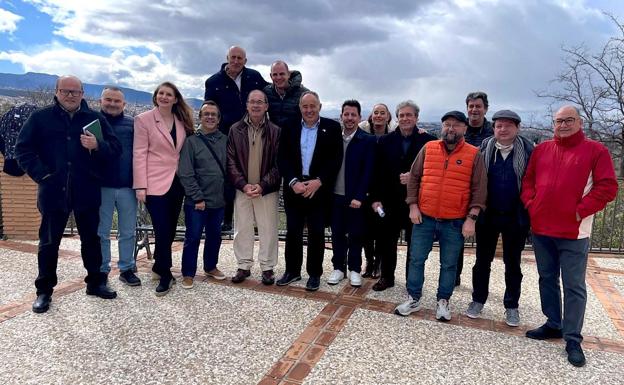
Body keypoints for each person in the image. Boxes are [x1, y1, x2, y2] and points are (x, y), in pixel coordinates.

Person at [521, 105, 618, 367]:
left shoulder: (596, 151)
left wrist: (580, 212)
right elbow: (528, 181)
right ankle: (554, 323)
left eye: (568, 120)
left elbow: (608, 187)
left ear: (579, 123)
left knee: (574, 286)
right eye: (558, 121)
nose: (563, 125)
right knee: (547, 279)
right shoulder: (542, 150)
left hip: (574, 232)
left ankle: (573, 338)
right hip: (542, 229)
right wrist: (532, 205)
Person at [16, 75, 121, 313]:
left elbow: (115, 150)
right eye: (65, 91)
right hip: (53, 191)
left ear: (83, 93)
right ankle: (44, 291)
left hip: (87, 189)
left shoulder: (95, 118)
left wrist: (97, 146)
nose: (70, 95)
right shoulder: (40, 118)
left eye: (75, 91)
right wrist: (43, 175)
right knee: (49, 243)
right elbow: (22, 150)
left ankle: (95, 282)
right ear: (56, 92)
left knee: (91, 240)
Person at [395, 111, 487, 321]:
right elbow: (414, 178)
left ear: (464, 128)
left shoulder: (474, 154)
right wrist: (413, 206)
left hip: (454, 221)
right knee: (416, 259)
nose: (450, 129)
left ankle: (443, 301)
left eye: (455, 125)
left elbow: (479, 189)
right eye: (446, 124)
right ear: (442, 127)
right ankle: (413, 297)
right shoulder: (428, 148)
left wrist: (471, 218)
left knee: (449, 264)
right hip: (424, 217)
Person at [465, 110, 534, 327]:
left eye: (507, 126)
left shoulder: (529, 150)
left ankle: (511, 305)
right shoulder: (483, 149)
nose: (502, 130)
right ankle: (478, 300)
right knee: (482, 261)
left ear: (517, 128)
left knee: (512, 263)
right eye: (498, 126)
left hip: (516, 216)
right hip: (488, 214)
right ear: (493, 128)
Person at [277, 91, 343, 291]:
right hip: (294, 188)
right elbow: (283, 157)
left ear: (320, 107)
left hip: (318, 190)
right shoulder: (289, 127)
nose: (309, 110)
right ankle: (292, 271)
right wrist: (293, 181)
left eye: (312, 106)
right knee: (293, 231)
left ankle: (314, 274)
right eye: (305, 106)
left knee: (316, 233)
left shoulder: (332, 128)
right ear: (300, 108)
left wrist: (319, 181)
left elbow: (335, 159)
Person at [134, 81, 194, 296]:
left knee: (169, 229)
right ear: (155, 96)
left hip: (176, 183)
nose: (164, 97)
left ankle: (159, 267)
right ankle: (166, 274)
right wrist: (140, 185)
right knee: (161, 228)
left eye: (169, 94)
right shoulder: (143, 120)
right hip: (154, 183)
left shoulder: (182, 120)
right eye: (161, 93)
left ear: (175, 98)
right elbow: (139, 153)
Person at [369, 100, 436, 291]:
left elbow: (434, 172)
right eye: (402, 115)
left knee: (415, 245)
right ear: (396, 118)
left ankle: (411, 281)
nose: (405, 118)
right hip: (389, 202)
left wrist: (416, 177)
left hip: (416, 202)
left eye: (409, 115)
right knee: (386, 242)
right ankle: (387, 277)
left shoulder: (429, 141)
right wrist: (375, 199)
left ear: (416, 118)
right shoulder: (385, 141)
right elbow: (377, 173)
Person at [204, 46, 269, 232]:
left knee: (253, 173)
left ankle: (255, 219)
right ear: (227, 58)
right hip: (226, 135)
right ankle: (227, 219)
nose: (236, 61)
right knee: (229, 176)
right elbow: (209, 107)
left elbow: (270, 94)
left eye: (240, 58)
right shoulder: (213, 81)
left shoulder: (254, 77)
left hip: (254, 132)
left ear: (245, 61)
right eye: (233, 57)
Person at [227, 90, 281, 285]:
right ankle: (243, 265)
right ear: (247, 105)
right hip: (243, 189)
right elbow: (230, 160)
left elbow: (279, 164)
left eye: (260, 102)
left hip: (266, 189)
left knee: (268, 228)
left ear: (266, 106)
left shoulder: (276, 131)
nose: (256, 105)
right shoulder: (235, 129)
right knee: (242, 228)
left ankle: (267, 268)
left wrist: (263, 185)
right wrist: (242, 184)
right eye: (252, 102)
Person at [177, 101, 228, 289]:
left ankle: (210, 266)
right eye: (206, 114)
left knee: (215, 236)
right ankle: (188, 273)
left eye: (214, 114)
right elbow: (185, 172)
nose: (210, 117)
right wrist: (197, 197)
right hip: (197, 201)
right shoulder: (191, 141)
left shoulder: (224, 140)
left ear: (218, 119)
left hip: (219, 199)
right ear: (200, 117)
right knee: (193, 237)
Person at [327, 100, 375, 287]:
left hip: (355, 197)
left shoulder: (367, 140)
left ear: (359, 117)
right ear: (341, 117)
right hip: (335, 195)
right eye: (346, 114)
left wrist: (360, 196)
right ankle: (338, 268)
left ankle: (355, 269)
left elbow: (368, 171)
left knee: (356, 234)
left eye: (353, 115)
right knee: (337, 233)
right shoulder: (334, 138)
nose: (349, 118)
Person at [97, 87, 141, 287]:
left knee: (128, 231)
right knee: (101, 232)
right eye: (109, 99)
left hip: (127, 186)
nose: (112, 104)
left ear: (124, 104)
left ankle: (126, 268)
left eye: (117, 101)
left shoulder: (133, 125)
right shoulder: (92, 122)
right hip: (100, 186)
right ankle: (102, 269)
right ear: (101, 101)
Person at [362, 103, 392, 278]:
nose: (379, 116)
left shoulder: (393, 138)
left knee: (381, 230)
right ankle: (369, 262)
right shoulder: (365, 137)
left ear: (388, 116)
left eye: (382, 113)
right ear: (371, 116)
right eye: (376, 113)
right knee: (366, 230)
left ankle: (379, 262)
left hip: (385, 192)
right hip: (366, 191)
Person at [263, 60, 309, 129]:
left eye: (282, 74)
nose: (278, 77)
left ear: (288, 74)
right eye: (275, 74)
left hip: (295, 137)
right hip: (274, 138)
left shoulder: (303, 94)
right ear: (271, 76)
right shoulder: (266, 92)